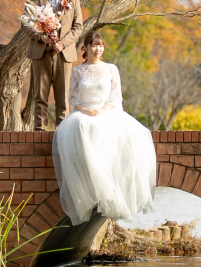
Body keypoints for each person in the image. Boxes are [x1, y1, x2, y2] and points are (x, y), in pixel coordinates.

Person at [52, 31, 157, 225]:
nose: (97, 49)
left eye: (100, 45)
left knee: (134, 133)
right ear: (86, 48)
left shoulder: (111, 69)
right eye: (93, 45)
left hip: (107, 110)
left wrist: (101, 110)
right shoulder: (77, 71)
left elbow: (116, 98)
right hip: (84, 112)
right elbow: (73, 98)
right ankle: (91, 186)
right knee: (81, 124)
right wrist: (84, 109)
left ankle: (109, 189)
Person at [21, 0, 83, 130]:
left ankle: (63, 132)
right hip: (40, 53)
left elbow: (78, 27)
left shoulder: (73, 0)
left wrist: (63, 43)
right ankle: (39, 131)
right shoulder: (33, 0)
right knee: (40, 95)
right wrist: (41, 38)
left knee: (63, 97)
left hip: (64, 54)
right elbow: (25, 25)